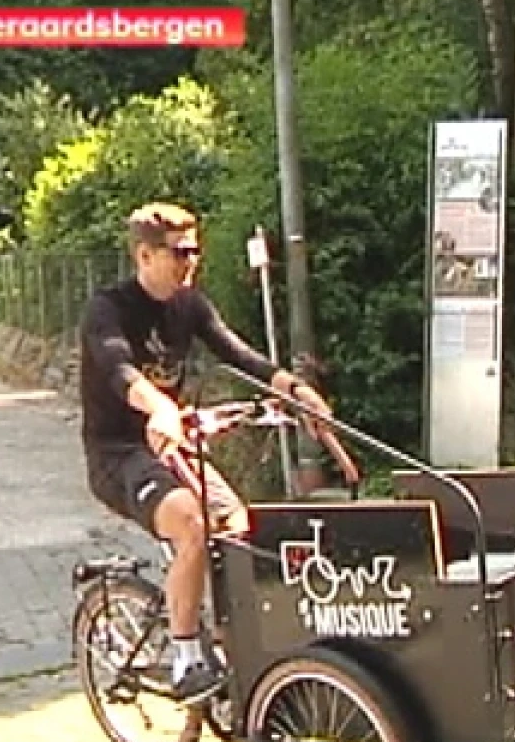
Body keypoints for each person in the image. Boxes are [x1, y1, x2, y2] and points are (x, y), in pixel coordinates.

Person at [80, 202, 333, 704]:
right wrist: (158, 407)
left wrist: (293, 389)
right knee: (191, 522)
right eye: (180, 252)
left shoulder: (190, 306)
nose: (191, 261)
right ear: (145, 255)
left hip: (172, 447)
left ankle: (224, 635)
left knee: (236, 525)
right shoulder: (108, 308)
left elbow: (237, 354)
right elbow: (118, 367)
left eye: (196, 250)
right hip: (118, 454)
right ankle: (185, 655)